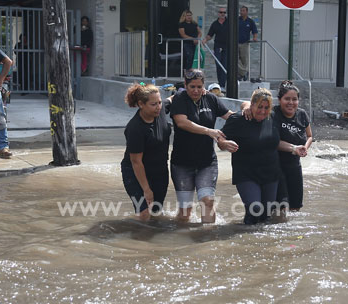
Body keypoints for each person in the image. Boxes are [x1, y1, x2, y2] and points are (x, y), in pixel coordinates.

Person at [218, 88, 306, 225]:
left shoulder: (272, 118)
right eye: (259, 107)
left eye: (266, 107)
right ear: (252, 104)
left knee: (266, 215)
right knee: (255, 209)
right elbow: (220, 139)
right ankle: (244, 238)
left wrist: (294, 148)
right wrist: (224, 143)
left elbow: (276, 143)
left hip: (271, 173)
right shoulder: (238, 119)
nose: (263, 111)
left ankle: (259, 244)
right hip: (246, 173)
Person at [169, 69, 234, 223]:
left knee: (208, 201)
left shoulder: (211, 99)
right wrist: (208, 131)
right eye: (192, 87)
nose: (196, 90)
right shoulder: (179, 98)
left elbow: (230, 117)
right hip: (182, 163)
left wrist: (247, 111)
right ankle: (182, 241)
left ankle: (208, 239)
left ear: (204, 85)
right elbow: (182, 122)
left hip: (206, 162)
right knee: (185, 211)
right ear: (185, 85)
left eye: (199, 86)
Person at [121, 83, 172, 221]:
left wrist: (197, 91)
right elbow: (136, 161)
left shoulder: (160, 111)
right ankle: (138, 240)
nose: (158, 107)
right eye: (154, 104)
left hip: (159, 170)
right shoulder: (135, 128)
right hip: (135, 172)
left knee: (156, 212)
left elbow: (173, 99)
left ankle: (154, 240)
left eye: (160, 103)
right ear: (141, 104)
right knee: (144, 212)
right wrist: (146, 189)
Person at [274, 80, 313, 211]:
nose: (291, 103)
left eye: (294, 99)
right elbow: (273, 141)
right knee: (282, 207)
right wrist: (294, 148)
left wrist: (305, 148)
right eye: (287, 99)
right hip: (276, 166)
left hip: (294, 166)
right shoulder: (274, 114)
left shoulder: (302, 114)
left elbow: (309, 136)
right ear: (279, 100)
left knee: (296, 207)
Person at [202, 7, 228, 90]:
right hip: (218, 46)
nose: (223, 14)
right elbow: (210, 34)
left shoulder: (229, 22)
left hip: (227, 47)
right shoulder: (215, 24)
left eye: (224, 12)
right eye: (221, 12)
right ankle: (221, 83)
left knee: (225, 64)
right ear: (218, 13)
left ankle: (223, 84)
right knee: (218, 65)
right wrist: (205, 39)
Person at [238, 5, 258, 81]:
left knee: (244, 60)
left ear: (246, 12)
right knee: (235, 59)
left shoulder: (250, 21)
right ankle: (244, 72)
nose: (241, 12)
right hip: (236, 43)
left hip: (245, 43)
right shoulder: (237, 20)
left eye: (243, 10)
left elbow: (254, 31)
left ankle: (241, 75)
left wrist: (254, 38)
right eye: (241, 11)